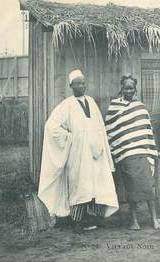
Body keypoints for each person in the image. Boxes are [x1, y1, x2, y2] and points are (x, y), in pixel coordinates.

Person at [38, 69, 119, 234]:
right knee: (80, 185)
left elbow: (100, 127)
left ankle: (96, 218)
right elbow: (51, 127)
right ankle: (77, 222)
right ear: (71, 86)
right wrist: (69, 137)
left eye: (83, 83)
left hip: (96, 152)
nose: (81, 86)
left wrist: (102, 146)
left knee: (97, 185)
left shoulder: (91, 102)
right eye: (78, 83)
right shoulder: (66, 105)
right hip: (78, 153)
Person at [105, 74, 160, 230]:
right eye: (126, 87)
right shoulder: (114, 106)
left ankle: (154, 219)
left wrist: (149, 149)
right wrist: (122, 146)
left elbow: (146, 129)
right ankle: (134, 221)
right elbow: (111, 129)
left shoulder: (140, 107)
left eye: (131, 88)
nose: (128, 90)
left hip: (142, 151)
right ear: (122, 88)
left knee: (147, 186)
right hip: (125, 153)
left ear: (135, 89)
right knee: (132, 189)